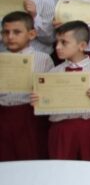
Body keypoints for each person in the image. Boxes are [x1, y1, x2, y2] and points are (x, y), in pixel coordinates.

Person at [30, 21, 90, 161]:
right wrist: (39, 102)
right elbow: (48, 106)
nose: (58, 47)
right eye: (57, 42)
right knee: (62, 171)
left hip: (89, 127)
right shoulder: (53, 73)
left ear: (82, 46)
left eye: (64, 42)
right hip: (61, 129)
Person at [0, 11, 54, 161]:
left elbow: (50, 92)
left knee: (32, 156)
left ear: (31, 34)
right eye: (6, 32)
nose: (10, 37)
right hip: (3, 114)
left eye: (17, 32)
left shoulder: (43, 59)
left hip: (30, 116)